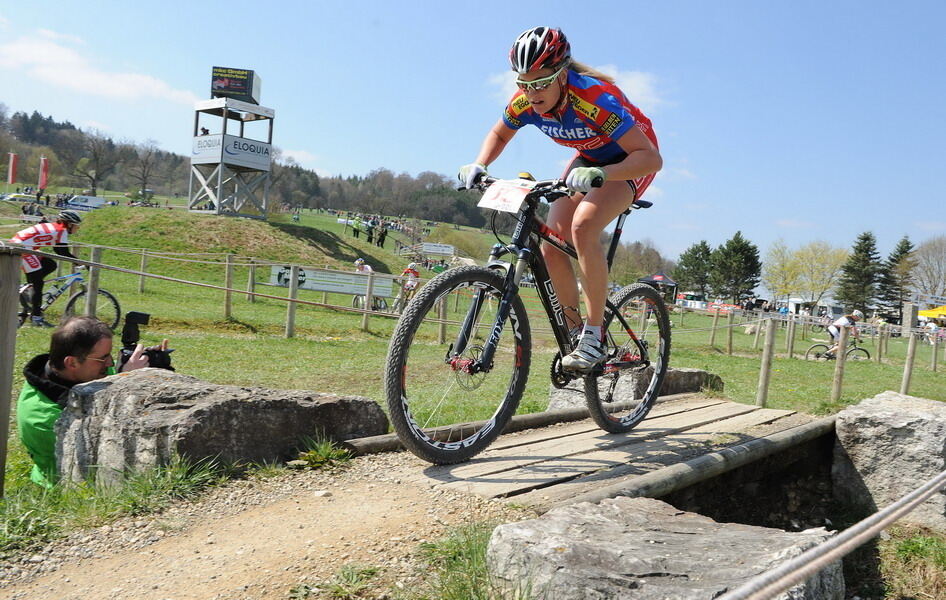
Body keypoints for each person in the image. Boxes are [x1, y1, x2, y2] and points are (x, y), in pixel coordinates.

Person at [458, 26, 661, 372]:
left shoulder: (595, 99)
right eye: (523, 82)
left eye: (541, 82)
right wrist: (481, 163)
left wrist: (605, 175)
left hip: (631, 161)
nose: (531, 92)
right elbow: (499, 133)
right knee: (552, 243)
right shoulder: (525, 101)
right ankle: (575, 333)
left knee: (583, 227)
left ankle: (594, 337)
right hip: (589, 159)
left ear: (562, 74)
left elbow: (651, 158)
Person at [17, 316, 166, 487]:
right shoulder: (44, 417)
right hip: (71, 486)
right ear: (72, 362)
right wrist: (124, 381)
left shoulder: (79, 371)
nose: (110, 362)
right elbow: (103, 451)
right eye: (103, 358)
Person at [10, 210, 84, 327]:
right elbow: (63, 252)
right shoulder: (61, 230)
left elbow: (58, 251)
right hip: (22, 248)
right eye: (76, 226)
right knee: (38, 283)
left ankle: (29, 289)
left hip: (23, 245)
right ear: (69, 224)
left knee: (50, 264)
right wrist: (81, 263)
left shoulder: (56, 227)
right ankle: (36, 317)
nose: (77, 229)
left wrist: (77, 262)